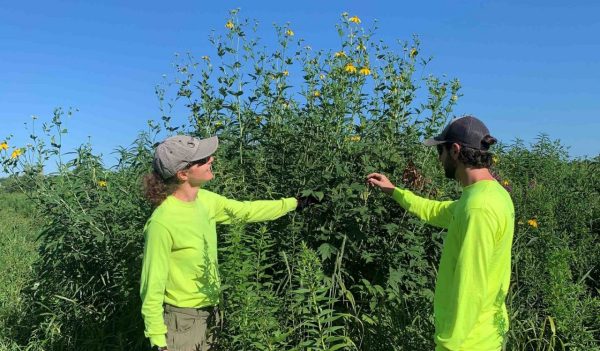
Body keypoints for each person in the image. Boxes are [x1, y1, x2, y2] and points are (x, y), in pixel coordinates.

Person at [140, 135, 316, 351]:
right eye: (203, 160)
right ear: (183, 173)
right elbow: (152, 285)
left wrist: (296, 203)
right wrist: (158, 340)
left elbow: (247, 210)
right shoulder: (162, 221)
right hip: (181, 322)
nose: (211, 159)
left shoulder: (206, 200)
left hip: (212, 313)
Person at [367, 115, 514, 351]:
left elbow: (470, 285)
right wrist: (394, 191)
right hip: (485, 333)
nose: (439, 159)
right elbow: (436, 210)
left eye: (440, 151)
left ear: (455, 151)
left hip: (467, 342)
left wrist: (449, 345)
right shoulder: (490, 195)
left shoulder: (478, 208)